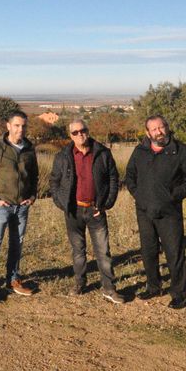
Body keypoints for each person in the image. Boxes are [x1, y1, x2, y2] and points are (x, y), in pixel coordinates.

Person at [124, 115, 186, 309]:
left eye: (161, 127)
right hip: (144, 210)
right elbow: (130, 175)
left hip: (169, 211)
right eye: (154, 129)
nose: (159, 131)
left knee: (174, 253)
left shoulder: (181, 151)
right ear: (148, 133)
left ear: (167, 127)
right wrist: (138, 195)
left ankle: (178, 293)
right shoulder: (140, 151)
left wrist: (173, 195)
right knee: (148, 251)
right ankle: (153, 287)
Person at [48, 119, 124, 303]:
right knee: (78, 251)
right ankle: (79, 283)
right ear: (70, 136)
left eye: (83, 130)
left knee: (103, 252)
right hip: (73, 211)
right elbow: (54, 181)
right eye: (75, 132)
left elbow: (114, 179)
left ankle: (109, 288)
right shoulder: (63, 156)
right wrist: (62, 203)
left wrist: (106, 204)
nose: (80, 134)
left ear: (87, 131)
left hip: (96, 210)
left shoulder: (102, 153)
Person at [0, 110, 39, 305]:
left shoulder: (29, 148)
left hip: (21, 207)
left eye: (23, 126)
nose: (20, 129)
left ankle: (13, 279)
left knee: (17, 244)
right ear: (8, 126)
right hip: (1, 207)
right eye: (16, 125)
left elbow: (35, 176)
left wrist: (32, 196)